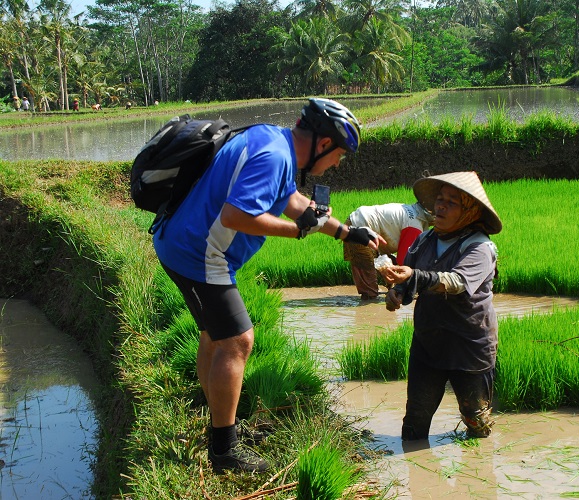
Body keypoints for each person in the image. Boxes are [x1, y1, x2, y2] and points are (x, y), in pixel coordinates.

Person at [152, 98, 385, 474]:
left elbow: (292, 200)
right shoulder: (275, 158)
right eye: (340, 154)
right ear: (324, 144)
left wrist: (346, 232)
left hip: (181, 242)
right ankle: (224, 452)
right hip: (198, 254)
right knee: (238, 340)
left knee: (214, 335)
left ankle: (219, 424)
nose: (337, 164)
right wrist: (296, 231)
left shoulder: (271, 140)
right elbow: (237, 215)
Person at [380, 171, 502, 442]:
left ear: (469, 211)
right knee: (414, 425)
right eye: (439, 199)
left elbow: (455, 282)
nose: (440, 206)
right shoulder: (424, 241)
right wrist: (396, 292)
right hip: (428, 345)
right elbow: (409, 281)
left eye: (451, 202)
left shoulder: (480, 247)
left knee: (477, 422)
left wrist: (413, 277)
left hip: (469, 348)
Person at [343, 202, 434, 299]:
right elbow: (404, 260)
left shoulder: (413, 213)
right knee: (367, 275)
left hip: (360, 222)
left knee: (386, 261)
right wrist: (416, 282)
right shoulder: (414, 225)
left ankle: (388, 288)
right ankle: (369, 301)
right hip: (360, 227)